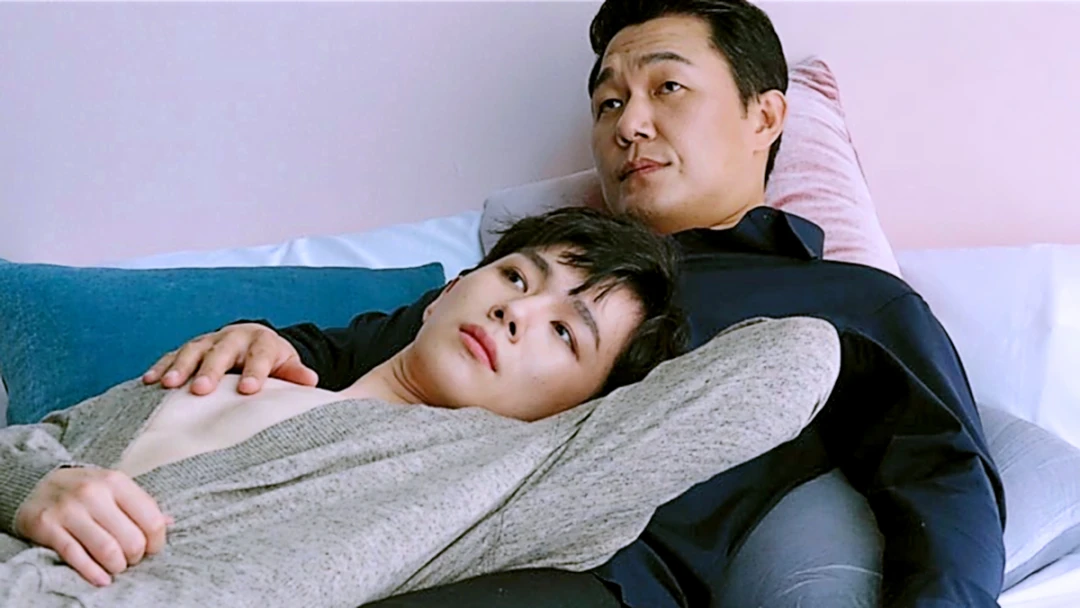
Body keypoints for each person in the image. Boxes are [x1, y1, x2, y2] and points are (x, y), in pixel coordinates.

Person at [144, 1, 1007, 607]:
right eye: (609, 103)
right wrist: (263, 340)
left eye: (667, 89)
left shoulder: (847, 303)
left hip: (589, 577)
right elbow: (366, 349)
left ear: (765, 115)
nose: (628, 125)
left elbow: (942, 478)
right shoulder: (534, 274)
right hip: (379, 520)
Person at [2, 208, 845, 606]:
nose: (518, 311)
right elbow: (29, 442)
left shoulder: (510, 480)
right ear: (447, 293)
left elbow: (798, 355)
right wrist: (29, 486)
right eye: (515, 277)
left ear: (582, 409)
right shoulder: (219, 371)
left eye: (565, 333)